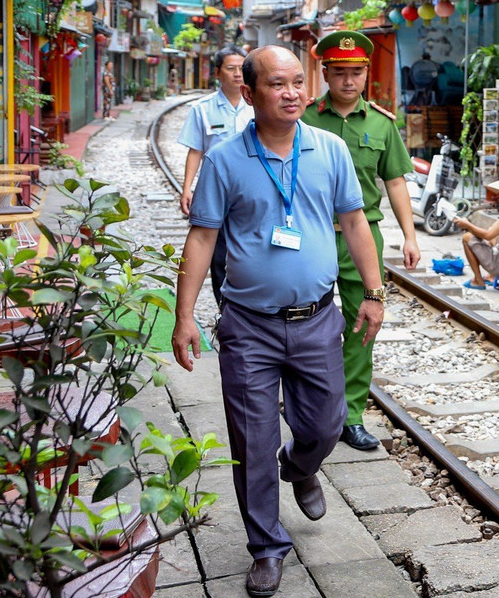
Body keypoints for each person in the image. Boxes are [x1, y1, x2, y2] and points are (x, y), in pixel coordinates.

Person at [171, 45, 387, 598]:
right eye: (277, 84)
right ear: (249, 93)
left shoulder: (330, 149)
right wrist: (184, 316)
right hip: (248, 326)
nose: (292, 93)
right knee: (252, 440)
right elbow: (202, 238)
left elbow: (356, 223)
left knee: (324, 425)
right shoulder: (224, 159)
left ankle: (301, 464)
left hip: (317, 320)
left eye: (298, 82)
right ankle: (266, 547)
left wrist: (374, 293)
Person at [301, 30, 419, 451]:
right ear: (325, 73)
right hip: (310, 233)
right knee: (298, 322)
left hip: (362, 237)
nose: (348, 81)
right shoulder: (305, 119)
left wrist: (409, 235)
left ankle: (350, 416)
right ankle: (303, 403)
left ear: (367, 73)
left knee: (362, 326)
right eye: (340, 73)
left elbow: (395, 182)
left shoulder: (382, 124)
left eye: (356, 73)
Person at [177, 47, 250, 305]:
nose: (238, 74)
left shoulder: (257, 106)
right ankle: (225, 309)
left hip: (251, 188)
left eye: (242, 68)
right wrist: (187, 188)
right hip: (216, 189)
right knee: (218, 254)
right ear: (217, 72)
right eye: (231, 68)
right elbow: (195, 150)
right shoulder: (203, 109)